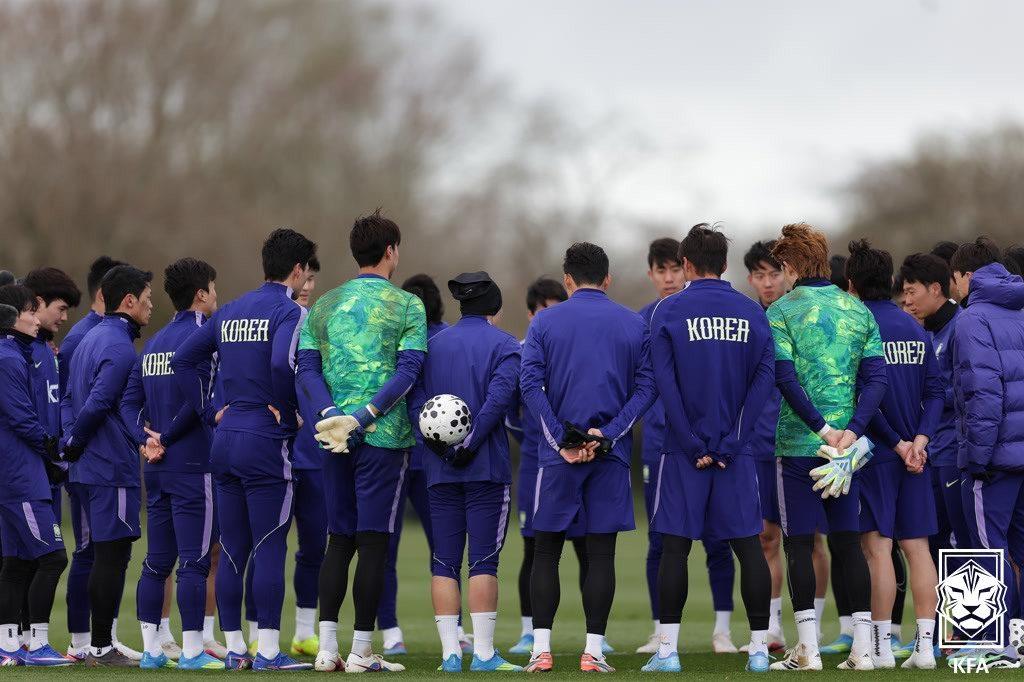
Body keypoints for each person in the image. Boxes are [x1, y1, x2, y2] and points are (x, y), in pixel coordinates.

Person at [172, 229, 316, 672]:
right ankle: (269, 653)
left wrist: (209, 410)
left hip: (225, 439)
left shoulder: (230, 309)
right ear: (297, 270)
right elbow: (280, 363)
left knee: (233, 548)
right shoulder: (290, 310)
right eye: (307, 270)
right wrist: (289, 410)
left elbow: (183, 359)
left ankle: (236, 648)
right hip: (264, 439)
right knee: (270, 543)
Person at [640, 225, 775, 674]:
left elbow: (665, 383)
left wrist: (690, 441)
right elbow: (763, 380)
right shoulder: (752, 313)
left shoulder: (668, 311)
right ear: (724, 263)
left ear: (688, 265)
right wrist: (735, 439)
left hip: (683, 453)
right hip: (737, 453)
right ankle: (757, 649)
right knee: (748, 548)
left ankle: (667, 653)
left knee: (674, 549)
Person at [295, 210, 423, 673]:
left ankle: (327, 649)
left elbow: (305, 371)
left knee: (338, 540)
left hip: (332, 440)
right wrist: (366, 415)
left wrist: (329, 415)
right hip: (383, 438)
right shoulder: (408, 305)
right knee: (372, 544)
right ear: (391, 251)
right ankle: (360, 652)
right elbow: (409, 372)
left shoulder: (323, 305)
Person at [520, 241, 656, 673]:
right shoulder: (634, 324)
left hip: (557, 457)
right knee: (601, 555)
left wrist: (561, 439)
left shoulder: (544, 323)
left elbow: (529, 388)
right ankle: (592, 652)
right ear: (608, 278)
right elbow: (647, 388)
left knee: (545, 553)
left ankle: (540, 650)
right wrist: (611, 434)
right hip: (609, 456)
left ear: (567, 280)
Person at [766, 223, 887, 672]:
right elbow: (876, 379)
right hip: (847, 452)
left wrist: (820, 429)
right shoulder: (857, 310)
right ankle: (861, 651)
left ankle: (809, 651)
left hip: (800, 445)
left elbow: (784, 377)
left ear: (792, 265)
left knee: (798, 543)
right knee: (848, 544)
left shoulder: (780, 311)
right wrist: (850, 431)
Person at [409, 271, 522, 672]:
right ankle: (486, 655)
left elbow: (415, 400)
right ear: (495, 308)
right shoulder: (507, 345)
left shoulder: (432, 345)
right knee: (484, 561)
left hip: (438, 471)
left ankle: (450, 656)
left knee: (444, 561)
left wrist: (436, 444)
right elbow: (498, 401)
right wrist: (469, 444)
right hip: (486, 469)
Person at [634, 237, 738, 655]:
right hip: (661, 447)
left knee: (719, 539)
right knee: (661, 540)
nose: (669, 277)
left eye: (675, 268)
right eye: (660, 270)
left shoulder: (707, 314)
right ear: (651, 274)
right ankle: (661, 630)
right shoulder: (642, 320)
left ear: (687, 268)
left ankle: (723, 630)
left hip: (715, 442)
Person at [120, 258, 222, 671]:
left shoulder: (155, 343)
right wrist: (166, 437)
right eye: (214, 289)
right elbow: (198, 402)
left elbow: (128, 403)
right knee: (195, 560)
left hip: (156, 467)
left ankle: (150, 651)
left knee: (156, 561)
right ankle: (194, 652)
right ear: (201, 294)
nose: (218, 296)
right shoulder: (206, 339)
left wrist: (145, 439)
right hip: (194, 464)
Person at [846, 241, 942, 670]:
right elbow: (936, 391)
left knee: (878, 549)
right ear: (889, 283)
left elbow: (864, 400)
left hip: (879, 456)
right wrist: (920, 440)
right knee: (918, 548)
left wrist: (899, 444)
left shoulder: (860, 330)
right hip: (916, 457)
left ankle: (882, 648)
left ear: (851, 284)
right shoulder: (914, 328)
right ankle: (924, 649)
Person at [62, 265, 154, 667]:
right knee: (111, 554)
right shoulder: (118, 345)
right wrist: (77, 443)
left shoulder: (89, 338)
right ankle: (101, 645)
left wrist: (72, 443)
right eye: (148, 300)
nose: (152, 307)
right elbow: (99, 402)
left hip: (89, 467)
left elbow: (69, 399)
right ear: (129, 301)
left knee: (100, 552)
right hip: (108, 467)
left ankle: (97, 642)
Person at [507, 277, 594, 657]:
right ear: (531, 314)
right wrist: (538, 442)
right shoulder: (522, 352)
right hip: (536, 464)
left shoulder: (575, 349)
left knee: (587, 549)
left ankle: (597, 636)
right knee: (535, 548)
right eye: (545, 309)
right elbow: (511, 414)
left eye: (558, 306)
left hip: (582, 459)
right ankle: (530, 632)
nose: (551, 315)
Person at [950, 237, 1024, 666]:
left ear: (967, 276)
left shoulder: (972, 319)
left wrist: (976, 460)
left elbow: (982, 393)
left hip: (994, 458)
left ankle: (1002, 645)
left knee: (986, 550)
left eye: (955, 279)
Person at [373, 274, 450, 657]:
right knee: (442, 548)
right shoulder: (434, 338)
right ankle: (452, 633)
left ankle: (391, 633)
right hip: (422, 458)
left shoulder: (437, 339)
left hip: (404, 454)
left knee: (387, 546)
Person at [0, 289, 68, 667]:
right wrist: (54, 449)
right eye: (28, 313)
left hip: (15, 473)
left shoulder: (15, 355)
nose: (35, 318)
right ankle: (37, 642)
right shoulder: (8, 359)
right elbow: (21, 417)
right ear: (13, 322)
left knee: (16, 563)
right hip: (21, 475)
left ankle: (8, 646)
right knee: (53, 556)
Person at [740, 241, 788, 652]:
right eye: (760, 275)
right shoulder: (747, 319)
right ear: (750, 278)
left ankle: (837, 625)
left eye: (774, 273)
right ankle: (772, 628)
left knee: (812, 540)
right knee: (765, 536)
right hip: (757, 444)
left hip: (805, 440)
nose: (768, 282)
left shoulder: (803, 316)